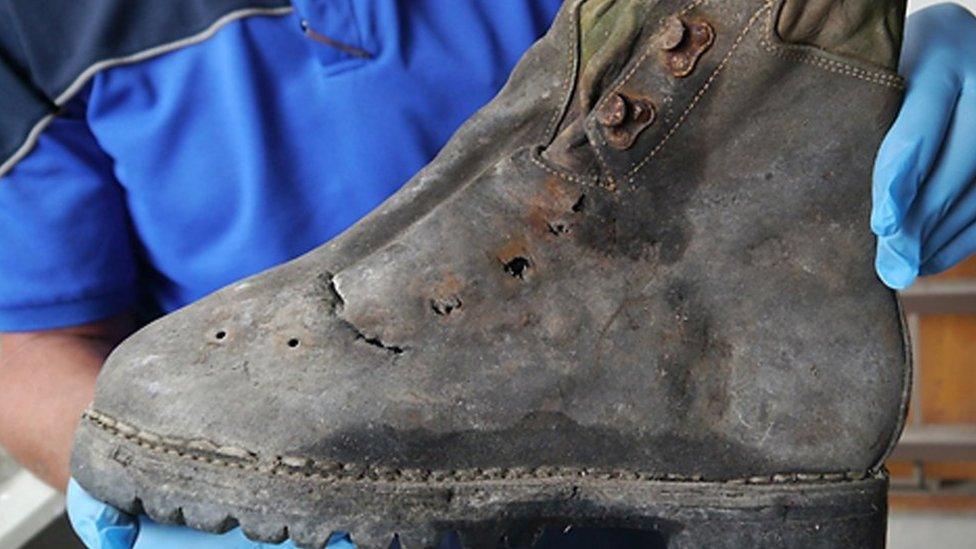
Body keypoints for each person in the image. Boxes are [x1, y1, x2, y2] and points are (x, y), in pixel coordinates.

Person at [0, 2, 971, 548]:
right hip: (302, 483)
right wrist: (163, 483)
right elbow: (28, 338)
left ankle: (780, 400)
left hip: (637, 445)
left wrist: (850, 61)